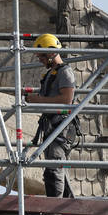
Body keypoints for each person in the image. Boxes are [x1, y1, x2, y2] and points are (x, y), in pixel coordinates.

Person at [26, 33, 77, 198]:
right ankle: (67, 203)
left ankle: (55, 207)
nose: (39, 59)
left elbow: (66, 100)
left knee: (54, 166)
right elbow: (49, 95)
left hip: (61, 127)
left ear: (50, 53)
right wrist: (34, 96)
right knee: (55, 166)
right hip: (53, 126)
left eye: (41, 55)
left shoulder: (65, 72)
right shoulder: (51, 73)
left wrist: (38, 100)